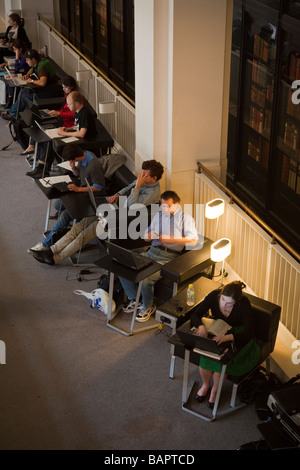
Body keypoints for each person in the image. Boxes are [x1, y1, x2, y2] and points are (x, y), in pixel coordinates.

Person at [30, 159, 164, 266]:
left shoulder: (153, 193)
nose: (141, 176)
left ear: (154, 178)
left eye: (145, 175)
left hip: (120, 219)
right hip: (113, 207)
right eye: (142, 173)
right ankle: (52, 250)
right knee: (79, 226)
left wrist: (138, 186)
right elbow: (127, 188)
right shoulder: (143, 180)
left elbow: (133, 206)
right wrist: (117, 194)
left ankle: (55, 258)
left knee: (83, 235)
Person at [119, 190, 199, 323]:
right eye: (162, 205)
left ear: (176, 205)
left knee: (146, 279)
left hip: (168, 257)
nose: (164, 208)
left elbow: (193, 241)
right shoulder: (158, 216)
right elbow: (145, 236)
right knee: (123, 266)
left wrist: (171, 239)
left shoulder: (186, 219)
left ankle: (148, 306)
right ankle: (135, 299)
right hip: (151, 251)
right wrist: (149, 236)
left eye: (167, 206)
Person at [190, 281, 260, 409]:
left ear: (237, 301)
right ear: (221, 294)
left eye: (229, 303)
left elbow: (250, 332)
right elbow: (195, 315)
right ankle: (206, 385)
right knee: (206, 357)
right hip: (219, 329)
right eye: (223, 300)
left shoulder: (244, 303)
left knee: (221, 361)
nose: (224, 304)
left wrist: (227, 337)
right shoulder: (213, 296)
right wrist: (200, 326)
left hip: (238, 335)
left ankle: (215, 390)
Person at [28, 143, 106, 253]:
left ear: (76, 157)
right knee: (58, 205)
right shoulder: (84, 155)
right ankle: (64, 230)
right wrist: (74, 169)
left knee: (65, 215)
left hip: (93, 198)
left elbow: (99, 187)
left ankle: (46, 244)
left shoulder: (94, 165)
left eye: (71, 160)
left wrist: (78, 189)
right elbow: (80, 175)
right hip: (82, 191)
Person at [26, 90, 96, 179]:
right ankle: (42, 167)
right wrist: (68, 128)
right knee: (50, 140)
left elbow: (82, 133)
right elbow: (77, 126)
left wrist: (64, 133)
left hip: (86, 139)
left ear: (77, 104)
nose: (68, 106)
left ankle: (43, 169)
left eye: (69, 104)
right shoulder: (77, 112)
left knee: (56, 141)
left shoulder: (84, 113)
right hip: (80, 135)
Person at [22, 75, 79, 158]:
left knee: (43, 130)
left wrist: (59, 113)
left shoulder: (76, 98)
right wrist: (56, 112)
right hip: (60, 118)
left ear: (71, 87)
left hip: (66, 123)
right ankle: (32, 147)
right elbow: (64, 110)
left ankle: (37, 154)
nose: (63, 89)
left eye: (65, 87)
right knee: (36, 121)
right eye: (62, 87)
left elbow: (74, 114)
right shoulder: (68, 95)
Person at [3, 49, 61, 120]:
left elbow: (42, 83)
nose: (26, 62)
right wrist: (27, 75)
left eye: (27, 60)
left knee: (25, 94)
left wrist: (31, 81)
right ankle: (12, 112)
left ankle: (13, 113)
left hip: (51, 91)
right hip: (48, 88)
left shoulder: (42, 67)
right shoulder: (38, 62)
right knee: (24, 91)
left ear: (33, 59)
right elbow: (31, 69)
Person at [0, 39, 30, 110]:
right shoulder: (21, 55)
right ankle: (10, 97)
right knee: (8, 79)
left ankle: (10, 99)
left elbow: (17, 68)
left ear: (20, 49)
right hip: (22, 72)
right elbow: (14, 60)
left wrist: (16, 56)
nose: (14, 51)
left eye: (15, 50)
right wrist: (7, 63)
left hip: (25, 75)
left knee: (11, 80)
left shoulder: (24, 57)